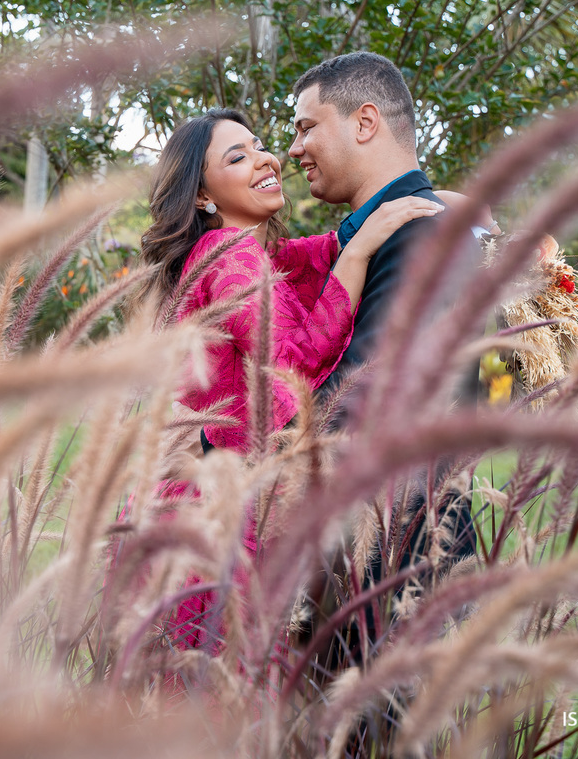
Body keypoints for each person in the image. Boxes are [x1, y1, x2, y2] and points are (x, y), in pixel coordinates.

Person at [135, 108, 443, 650]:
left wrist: (442, 203)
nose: (265, 159)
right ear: (204, 196)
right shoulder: (228, 258)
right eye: (238, 157)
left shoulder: (247, 253)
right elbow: (292, 366)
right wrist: (364, 250)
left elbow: (326, 250)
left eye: (257, 145)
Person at [289, 50, 489, 401]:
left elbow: (355, 402)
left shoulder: (418, 235)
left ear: (365, 123)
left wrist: (220, 443)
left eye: (307, 128)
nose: (294, 149)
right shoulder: (385, 234)